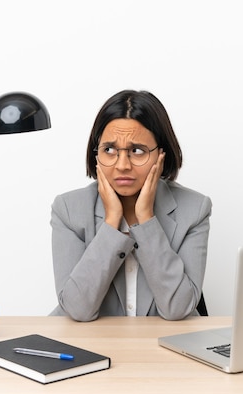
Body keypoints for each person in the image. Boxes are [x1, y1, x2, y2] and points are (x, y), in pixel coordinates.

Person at [49, 90, 212, 321]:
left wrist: (146, 219)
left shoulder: (194, 209)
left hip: (162, 349)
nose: (122, 165)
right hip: (88, 346)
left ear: (161, 154)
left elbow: (178, 309)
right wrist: (112, 222)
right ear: (97, 155)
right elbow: (77, 309)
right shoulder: (68, 210)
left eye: (137, 151)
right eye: (109, 150)